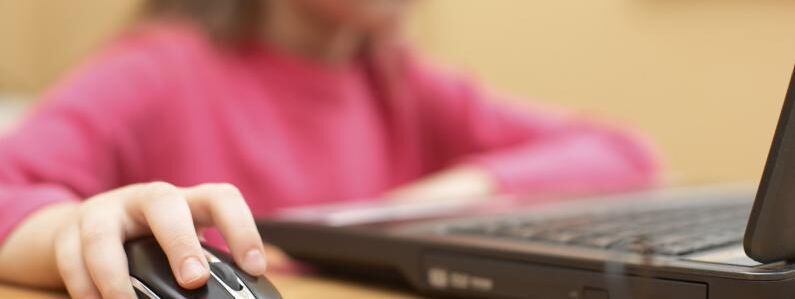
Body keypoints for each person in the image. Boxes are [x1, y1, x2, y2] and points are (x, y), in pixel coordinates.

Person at [0, 0, 660, 298]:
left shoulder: (401, 81)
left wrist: (456, 190)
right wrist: (69, 228)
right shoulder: (157, 71)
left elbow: (622, 148)